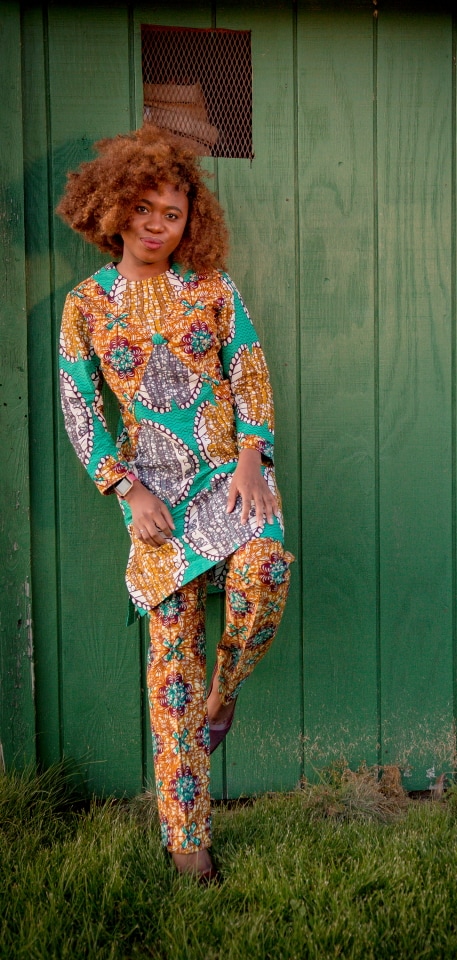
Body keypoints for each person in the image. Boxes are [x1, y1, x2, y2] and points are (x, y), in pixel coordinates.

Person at [56, 125, 293, 882]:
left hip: (232, 477)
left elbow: (249, 370)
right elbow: (79, 408)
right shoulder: (85, 308)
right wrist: (126, 490)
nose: (159, 226)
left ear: (192, 220)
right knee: (170, 673)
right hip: (156, 500)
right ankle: (189, 847)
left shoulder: (213, 290)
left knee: (266, 577)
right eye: (145, 210)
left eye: (174, 213)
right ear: (114, 210)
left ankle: (223, 698)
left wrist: (253, 460)